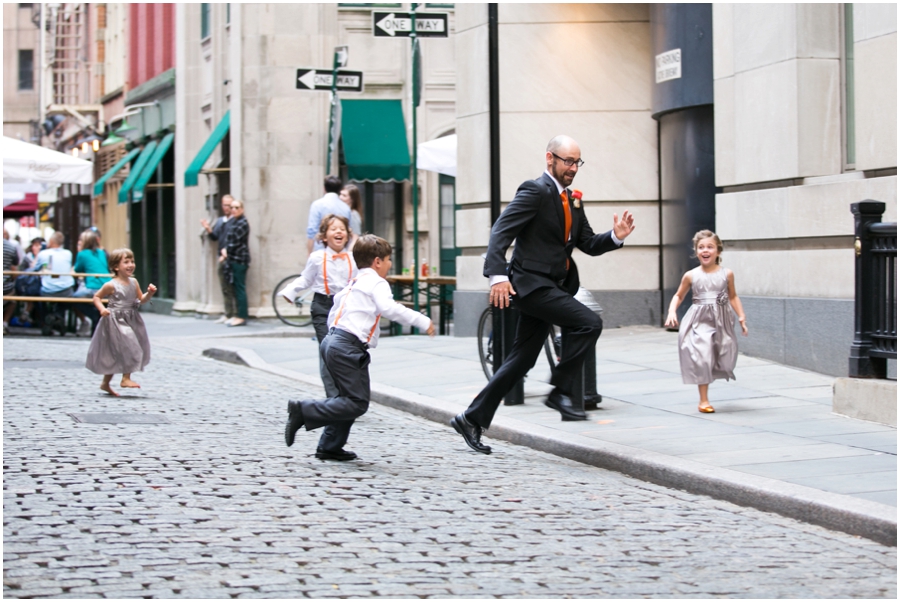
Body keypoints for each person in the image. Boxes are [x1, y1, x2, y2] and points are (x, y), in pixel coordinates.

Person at [450, 135, 636, 455]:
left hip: (553, 286)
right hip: (531, 286)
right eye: (568, 161)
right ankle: (559, 390)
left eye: (577, 162)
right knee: (588, 323)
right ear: (550, 159)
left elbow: (588, 243)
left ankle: (471, 418)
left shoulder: (573, 200)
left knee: (520, 361)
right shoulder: (534, 190)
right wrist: (496, 276)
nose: (573, 168)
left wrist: (615, 238)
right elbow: (501, 231)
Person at [284, 234, 435, 461]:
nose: (389, 264)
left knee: (346, 398)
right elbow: (389, 308)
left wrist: (334, 339)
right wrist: (422, 321)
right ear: (377, 262)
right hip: (346, 346)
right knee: (356, 402)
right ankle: (303, 410)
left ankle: (330, 446)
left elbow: (335, 310)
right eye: (387, 260)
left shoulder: (354, 282)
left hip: (333, 341)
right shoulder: (376, 282)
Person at [664, 230, 748, 413]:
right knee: (702, 356)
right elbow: (678, 295)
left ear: (718, 251)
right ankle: (703, 400)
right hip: (699, 320)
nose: (705, 250)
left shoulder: (727, 274)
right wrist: (672, 310)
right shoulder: (691, 275)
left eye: (710, 247)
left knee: (724, 356)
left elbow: (733, 296)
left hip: (722, 319)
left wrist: (741, 316)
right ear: (696, 251)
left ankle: (715, 372)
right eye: (701, 247)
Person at [278, 214, 356, 397]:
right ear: (324, 236)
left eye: (342, 229)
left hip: (345, 309)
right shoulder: (316, 257)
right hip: (323, 306)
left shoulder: (353, 259)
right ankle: (334, 397)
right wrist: (290, 291)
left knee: (345, 350)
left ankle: (347, 394)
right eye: (333, 229)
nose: (338, 232)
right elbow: (306, 278)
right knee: (328, 349)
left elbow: (361, 281)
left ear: (347, 235)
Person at [85, 248, 156, 397]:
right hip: (115, 320)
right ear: (116, 267)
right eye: (126, 262)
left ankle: (105, 383)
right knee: (130, 345)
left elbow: (140, 300)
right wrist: (101, 309)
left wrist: (149, 293)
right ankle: (125, 378)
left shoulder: (134, 282)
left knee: (116, 353)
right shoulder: (111, 285)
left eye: (132, 261)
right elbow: (96, 297)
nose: (131, 265)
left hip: (131, 319)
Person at [201, 194, 237, 323]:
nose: (226, 208)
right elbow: (215, 237)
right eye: (224, 205)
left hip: (231, 257)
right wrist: (208, 229)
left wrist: (227, 253)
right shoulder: (221, 221)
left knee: (233, 287)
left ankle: (234, 314)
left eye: (229, 205)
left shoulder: (236, 221)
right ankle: (228, 313)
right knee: (224, 287)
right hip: (221, 257)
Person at [72, 229, 111, 336]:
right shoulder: (101, 252)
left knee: (73, 298)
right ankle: (98, 315)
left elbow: (77, 270)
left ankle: (94, 315)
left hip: (94, 287)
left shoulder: (82, 254)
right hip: (109, 286)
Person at [221, 198, 250, 327]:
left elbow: (235, 242)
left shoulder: (242, 223)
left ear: (242, 209)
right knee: (233, 288)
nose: (233, 210)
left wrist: (226, 251)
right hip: (233, 259)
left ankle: (242, 316)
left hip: (239, 260)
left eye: (236, 207)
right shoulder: (234, 222)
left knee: (239, 288)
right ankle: (236, 314)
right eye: (232, 207)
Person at [307, 176, 350, 254]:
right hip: (340, 252)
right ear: (339, 190)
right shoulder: (346, 207)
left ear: (324, 188)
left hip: (321, 251)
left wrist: (309, 253)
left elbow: (312, 231)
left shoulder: (317, 205)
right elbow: (349, 231)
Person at [340, 184, 363, 249]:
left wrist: (348, 254)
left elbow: (355, 238)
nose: (340, 197)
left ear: (352, 199)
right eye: (340, 194)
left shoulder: (353, 214)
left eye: (344, 196)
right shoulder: (343, 212)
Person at [3, 232, 17, 334]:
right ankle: (4, 323)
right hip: (5, 288)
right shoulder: (11, 247)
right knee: (13, 299)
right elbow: (15, 265)